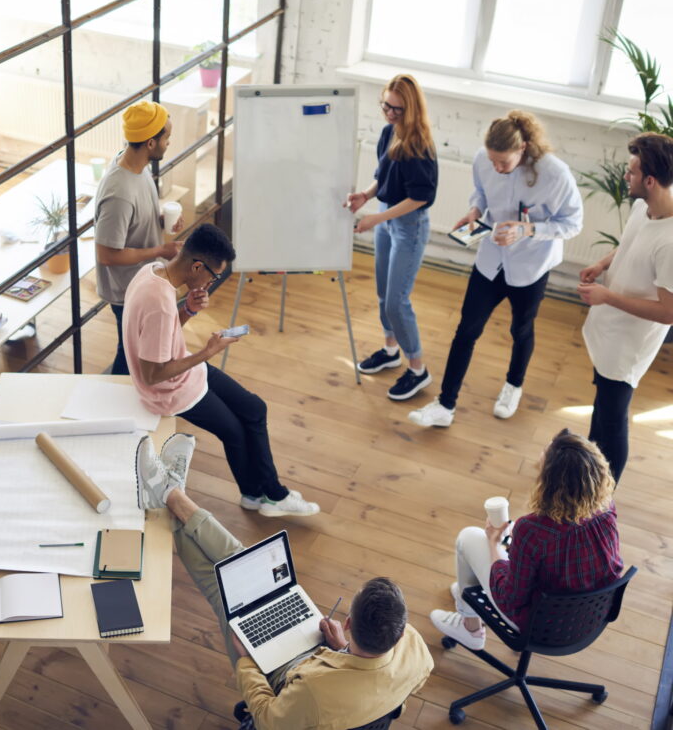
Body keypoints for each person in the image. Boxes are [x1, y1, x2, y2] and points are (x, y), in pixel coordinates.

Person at [134, 437, 433, 729]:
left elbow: (267, 719)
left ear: (349, 622)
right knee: (245, 565)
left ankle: (169, 495)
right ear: (398, 632)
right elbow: (394, 699)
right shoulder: (417, 652)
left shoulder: (315, 694)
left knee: (221, 588)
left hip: (295, 682)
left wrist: (248, 662)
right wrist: (343, 651)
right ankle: (171, 495)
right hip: (332, 662)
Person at [123, 223, 319, 516]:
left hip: (185, 372)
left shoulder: (151, 271)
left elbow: (159, 338)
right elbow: (153, 374)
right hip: (169, 391)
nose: (211, 283)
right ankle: (267, 495)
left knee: (254, 408)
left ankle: (260, 495)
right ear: (197, 266)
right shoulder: (160, 304)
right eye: (214, 276)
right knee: (236, 433)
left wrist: (188, 310)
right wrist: (206, 352)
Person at [410, 111, 583, 428]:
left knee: (521, 329)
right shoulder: (484, 159)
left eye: (503, 163)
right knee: (466, 330)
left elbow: (573, 224)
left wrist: (528, 230)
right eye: (492, 161)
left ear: (524, 148)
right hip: (491, 260)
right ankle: (445, 405)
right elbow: (481, 191)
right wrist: (475, 210)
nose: (497, 168)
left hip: (531, 264)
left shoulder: (556, 175)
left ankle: (513, 386)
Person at [430, 429, 622, 650]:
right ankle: (469, 596)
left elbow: (509, 598)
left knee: (468, 538)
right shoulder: (607, 508)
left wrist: (494, 543)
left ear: (550, 482)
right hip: (591, 617)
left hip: (540, 627)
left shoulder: (532, 529)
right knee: (486, 561)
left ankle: (470, 626)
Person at [579, 132, 673, 482]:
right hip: (609, 329)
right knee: (601, 407)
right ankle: (588, 477)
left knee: (612, 420)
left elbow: (669, 312)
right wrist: (603, 264)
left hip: (629, 344)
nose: (625, 177)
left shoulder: (671, 241)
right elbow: (630, 243)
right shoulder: (642, 207)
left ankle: (603, 500)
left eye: (631, 172)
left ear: (650, 180)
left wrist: (608, 297)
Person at [345, 74, 438, 401]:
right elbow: (382, 177)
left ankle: (418, 369)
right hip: (386, 218)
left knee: (399, 300)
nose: (390, 113)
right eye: (386, 105)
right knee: (384, 294)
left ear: (411, 109)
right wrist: (365, 197)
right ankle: (391, 350)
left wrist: (376, 218)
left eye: (397, 109)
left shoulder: (419, 146)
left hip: (408, 226)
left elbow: (420, 197)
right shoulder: (388, 133)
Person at [94, 100, 185, 375]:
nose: (169, 142)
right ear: (150, 143)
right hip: (127, 290)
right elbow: (107, 255)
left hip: (142, 279)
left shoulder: (138, 166)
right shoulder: (119, 193)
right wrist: (160, 250)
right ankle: (118, 402)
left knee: (134, 349)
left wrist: (158, 220)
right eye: (166, 136)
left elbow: (131, 222)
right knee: (131, 353)